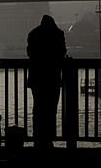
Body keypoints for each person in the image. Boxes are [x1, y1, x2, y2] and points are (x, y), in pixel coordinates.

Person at [26, 14, 67, 149]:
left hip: (36, 78)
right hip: (53, 78)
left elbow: (30, 53)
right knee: (51, 109)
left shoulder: (33, 34)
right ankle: (49, 138)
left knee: (38, 107)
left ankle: (38, 137)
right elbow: (62, 52)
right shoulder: (58, 34)